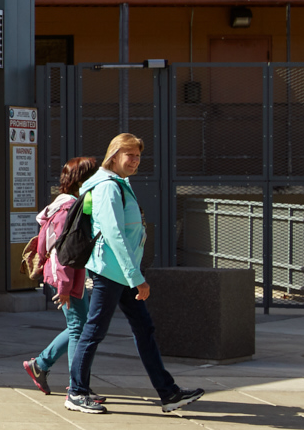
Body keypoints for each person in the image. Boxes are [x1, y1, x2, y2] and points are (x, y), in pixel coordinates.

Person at [64, 132, 206, 415]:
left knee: (144, 330)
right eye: (130, 155)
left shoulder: (118, 184)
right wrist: (136, 277)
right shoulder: (107, 187)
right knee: (94, 331)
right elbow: (115, 234)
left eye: (139, 156)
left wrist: (132, 275)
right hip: (112, 271)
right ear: (114, 154)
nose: (136, 161)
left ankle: (168, 394)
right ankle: (76, 392)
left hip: (122, 272)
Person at [21, 155, 96, 395]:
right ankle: (76, 385)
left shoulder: (70, 204)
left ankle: (41, 365)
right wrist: (64, 287)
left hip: (70, 277)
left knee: (79, 326)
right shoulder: (68, 209)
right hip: (65, 277)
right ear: (82, 180)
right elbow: (63, 252)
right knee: (78, 328)